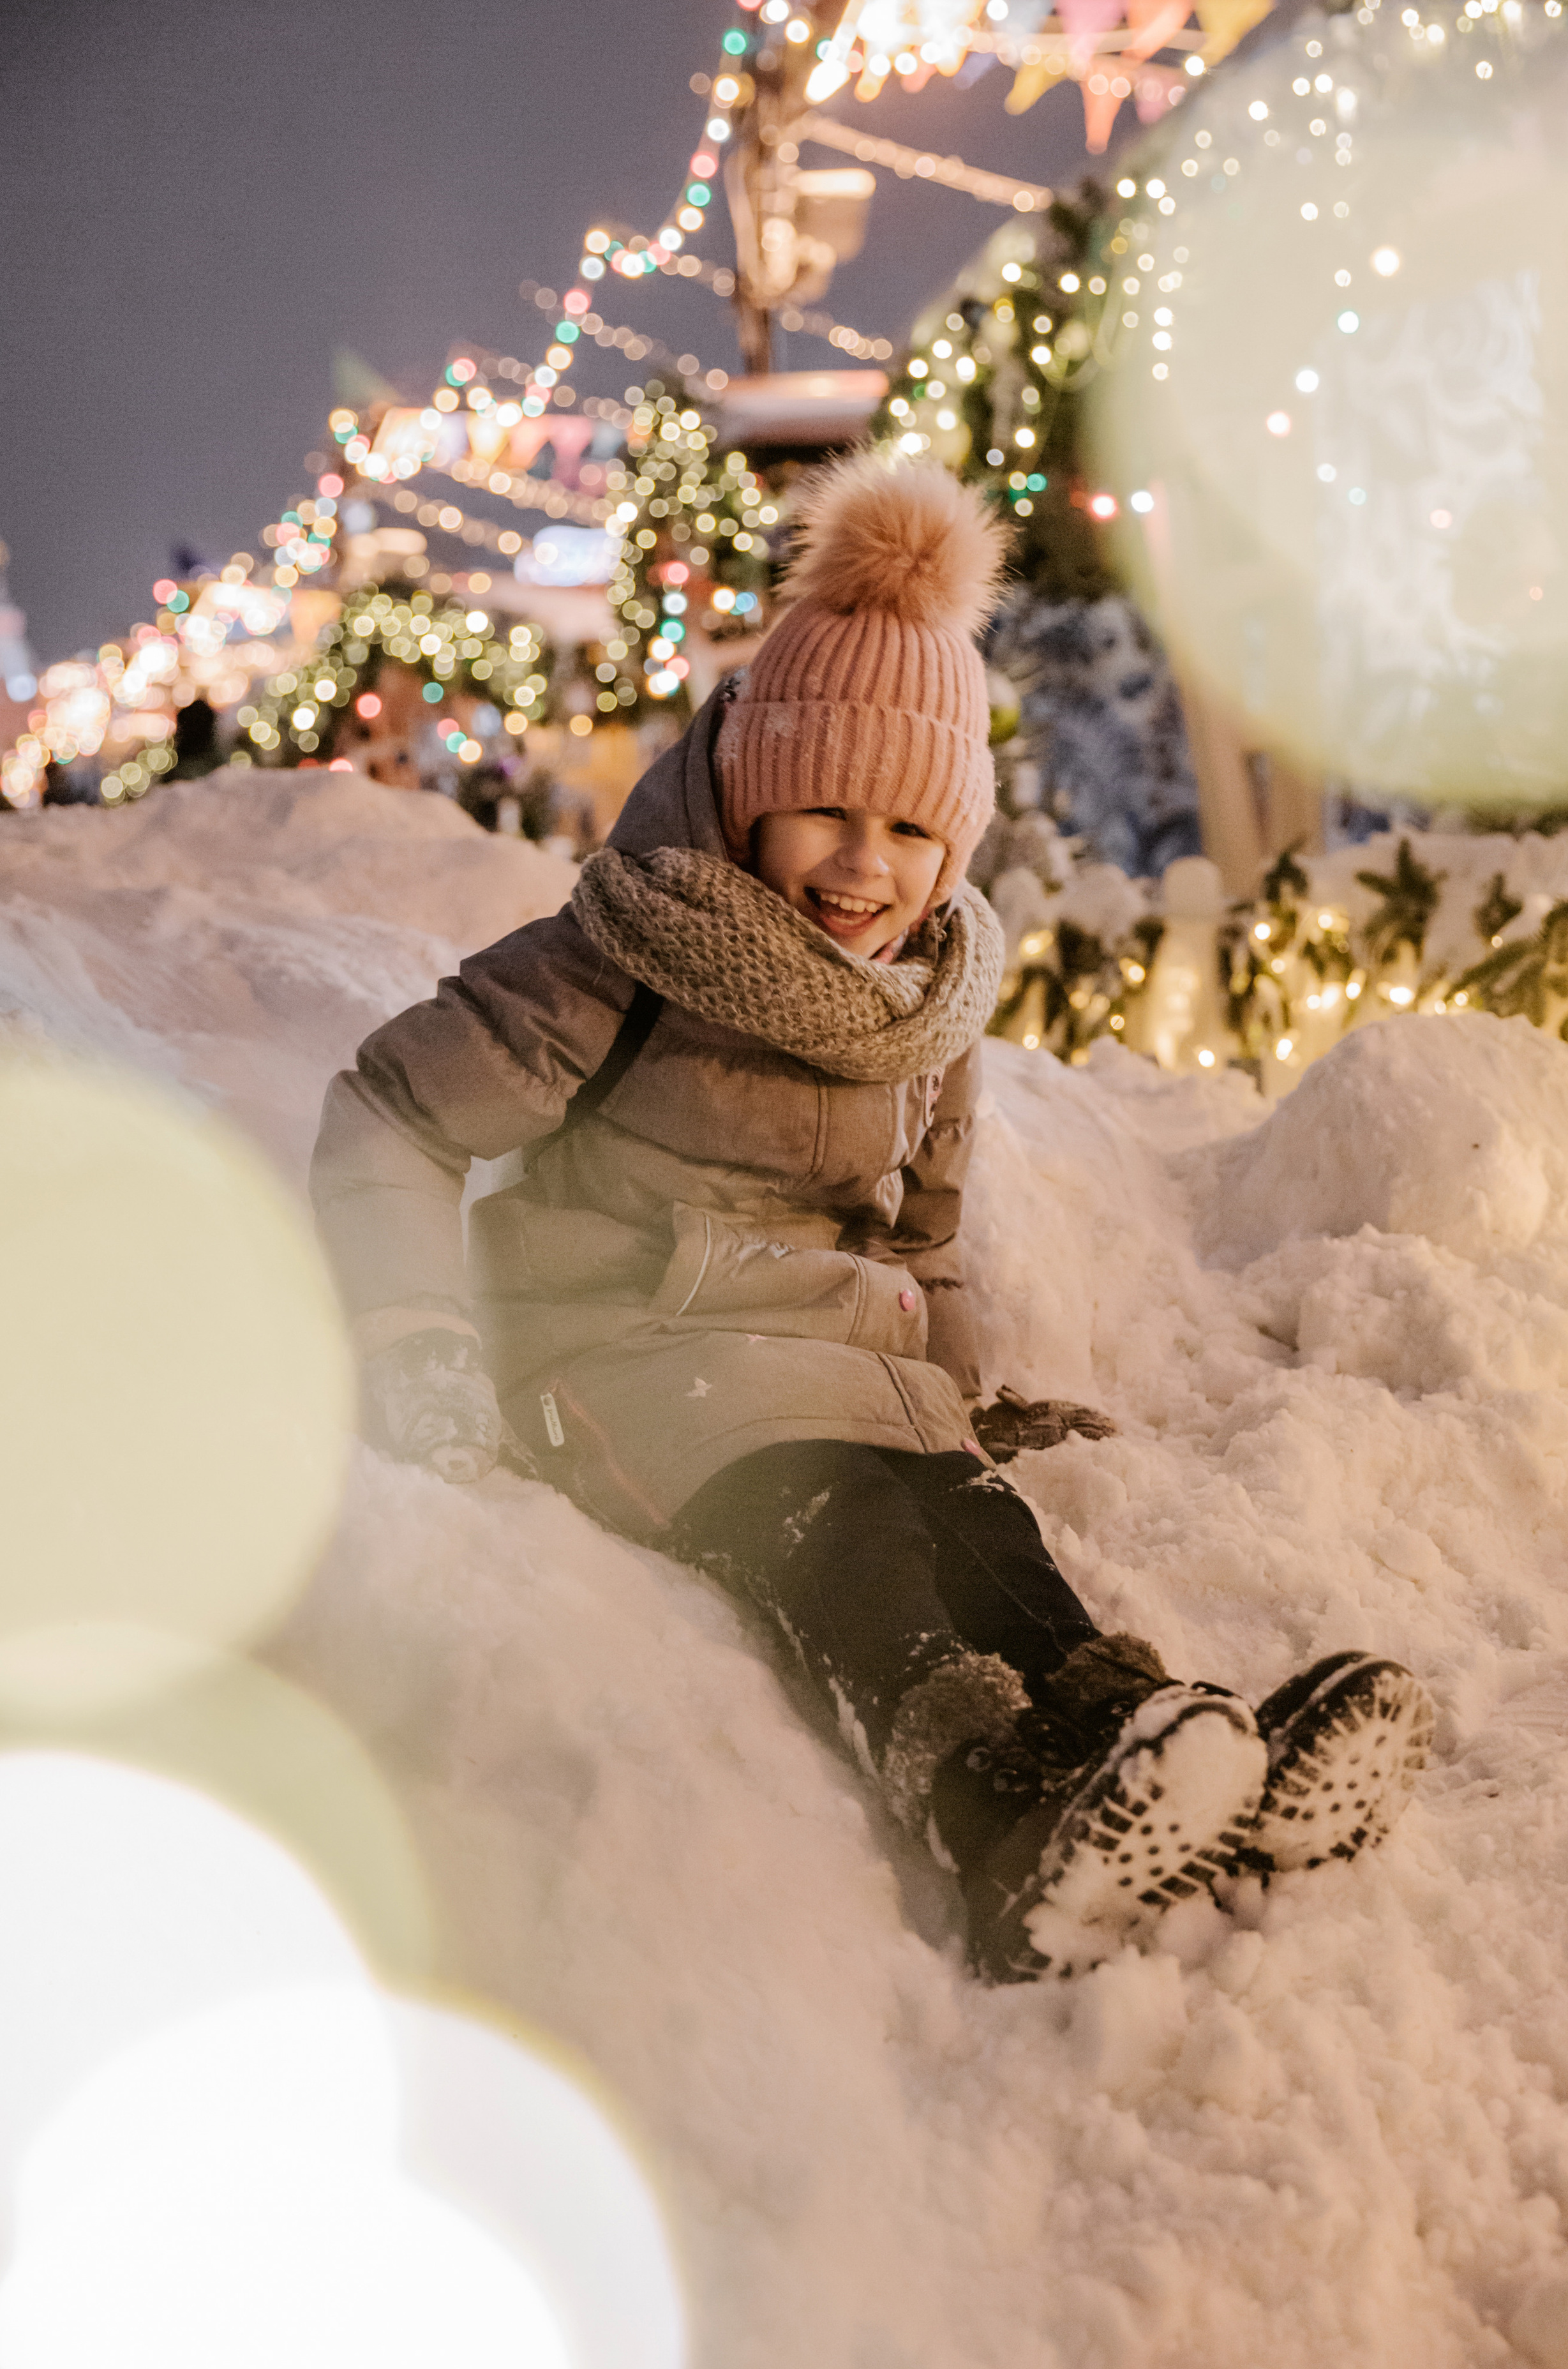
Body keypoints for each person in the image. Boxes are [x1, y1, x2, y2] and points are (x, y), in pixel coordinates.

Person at [310, 452, 1433, 1983]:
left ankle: (1160, 1762)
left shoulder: (927, 1008)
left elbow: (914, 1238)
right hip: (636, 1353)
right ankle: (987, 1824)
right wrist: (419, 1344)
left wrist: (956, 1399)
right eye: (823, 812)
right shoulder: (627, 951)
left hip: (845, 1363)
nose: (864, 866)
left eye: (911, 835)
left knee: (974, 1533)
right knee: (845, 1539)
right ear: (747, 797)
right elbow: (390, 1115)